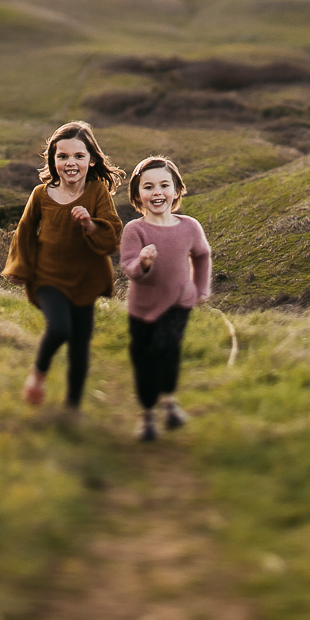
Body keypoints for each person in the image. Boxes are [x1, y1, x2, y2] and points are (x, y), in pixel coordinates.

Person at [1, 121, 125, 409]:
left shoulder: (97, 193)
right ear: (53, 160)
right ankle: (38, 375)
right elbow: (25, 230)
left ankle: (72, 408)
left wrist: (89, 223)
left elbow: (112, 232)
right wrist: (21, 268)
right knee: (60, 329)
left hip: (85, 278)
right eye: (63, 156)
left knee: (80, 346)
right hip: (47, 277)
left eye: (79, 156)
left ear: (91, 159)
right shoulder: (41, 195)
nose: (71, 163)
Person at [119, 155, 211, 441]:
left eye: (164, 185)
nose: (157, 192)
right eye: (148, 187)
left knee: (168, 350)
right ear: (137, 195)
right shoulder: (135, 230)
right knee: (143, 358)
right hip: (143, 307)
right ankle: (147, 416)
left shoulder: (190, 227)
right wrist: (144, 262)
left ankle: (169, 402)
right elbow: (129, 268)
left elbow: (203, 255)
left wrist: (201, 289)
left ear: (177, 190)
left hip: (178, 303)